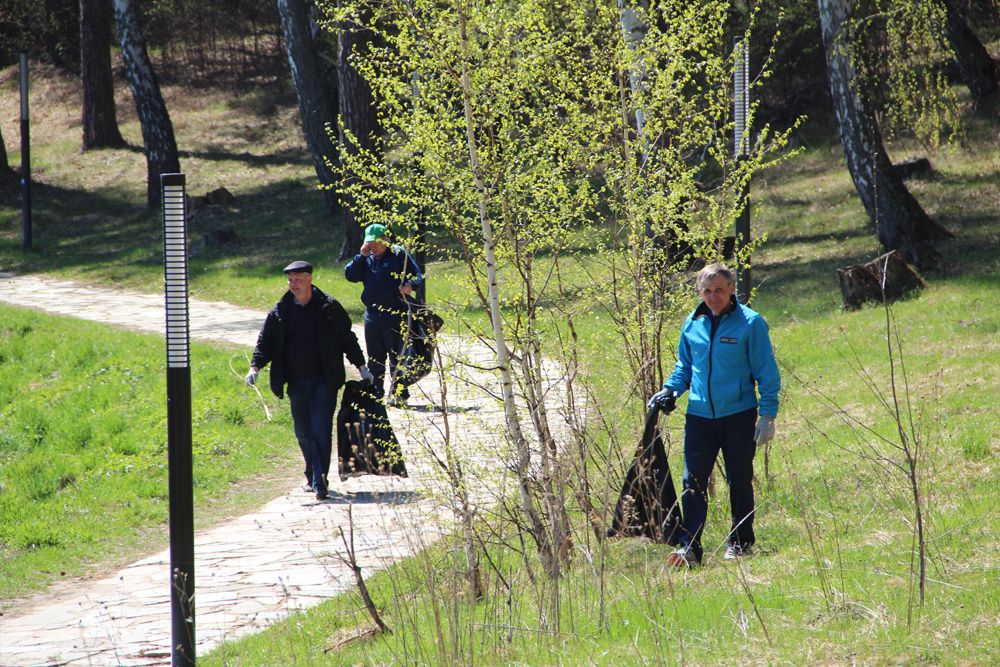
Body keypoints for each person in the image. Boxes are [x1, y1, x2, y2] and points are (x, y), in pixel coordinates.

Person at [648, 262, 780, 566]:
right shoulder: (692, 323)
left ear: (732, 289)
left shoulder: (751, 323)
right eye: (706, 291)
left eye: (719, 289)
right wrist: (670, 390)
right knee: (692, 482)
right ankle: (689, 548)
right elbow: (685, 366)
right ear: (700, 292)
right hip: (699, 417)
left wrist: (768, 415)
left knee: (739, 478)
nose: (713, 296)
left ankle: (740, 542)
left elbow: (767, 372)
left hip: (739, 414)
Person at [245, 260, 374, 500]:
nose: (294, 284)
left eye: (298, 279)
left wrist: (362, 367)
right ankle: (312, 471)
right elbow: (266, 343)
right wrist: (255, 367)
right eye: (290, 280)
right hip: (295, 381)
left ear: (310, 279)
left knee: (320, 429)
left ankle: (320, 480)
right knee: (303, 432)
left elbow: (347, 338)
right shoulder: (280, 311)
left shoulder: (329, 307)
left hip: (324, 380)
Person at [344, 224, 425, 407]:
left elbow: (418, 276)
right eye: (369, 243)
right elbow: (350, 275)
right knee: (374, 357)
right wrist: (360, 257)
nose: (372, 247)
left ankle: (399, 394)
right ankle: (376, 394)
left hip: (395, 314)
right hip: (372, 315)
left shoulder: (399, 255)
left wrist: (410, 286)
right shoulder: (366, 258)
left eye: (375, 243)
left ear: (385, 240)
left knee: (397, 355)